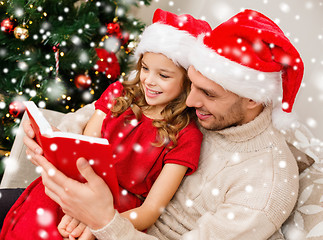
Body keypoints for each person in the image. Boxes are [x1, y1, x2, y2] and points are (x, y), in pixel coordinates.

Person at [5, 9, 304, 240]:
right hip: (93, 207)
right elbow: (106, 115)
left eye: (208, 93)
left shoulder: (266, 186)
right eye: (192, 86)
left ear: (253, 98)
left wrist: (102, 222)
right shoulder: (206, 110)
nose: (189, 103)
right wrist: (54, 134)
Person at [0, 9, 212, 240]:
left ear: (187, 83)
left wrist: (95, 220)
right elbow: (85, 150)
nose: (149, 80)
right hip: (70, 191)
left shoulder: (186, 136)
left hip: (116, 215)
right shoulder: (119, 94)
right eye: (145, 68)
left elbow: (150, 212)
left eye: (164, 75)